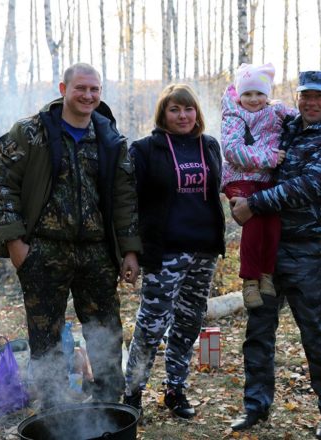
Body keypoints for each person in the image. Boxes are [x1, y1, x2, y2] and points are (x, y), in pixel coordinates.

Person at [0, 63, 141, 409]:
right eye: (80, 88)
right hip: (44, 250)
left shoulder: (109, 138)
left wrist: (130, 250)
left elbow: (125, 198)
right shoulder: (31, 132)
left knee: (106, 332)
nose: (88, 95)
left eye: (94, 89)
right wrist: (15, 243)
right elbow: (2, 185)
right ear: (63, 89)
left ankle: (109, 407)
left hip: (97, 252)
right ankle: (53, 409)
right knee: (45, 337)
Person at [229, 70, 321, 439]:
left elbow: (309, 186)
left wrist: (254, 204)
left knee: (315, 333)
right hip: (266, 247)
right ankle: (255, 405)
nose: (311, 103)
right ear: (297, 98)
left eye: (318, 96)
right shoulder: (285, 128)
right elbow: (250, 147)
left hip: (303, 249)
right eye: (305, 96)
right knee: (258, 329)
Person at [122, 84, 225, 419]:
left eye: (188, 109)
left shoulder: (209, 146)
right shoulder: (144, 150)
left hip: (203, 251)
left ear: (197, 113)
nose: (183, 116)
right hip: (164, 252)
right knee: (151, 325)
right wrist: (131, 251)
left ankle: (175, 389)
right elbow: (129, 204)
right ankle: (132, 393)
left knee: (188, 322)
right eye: (175, 110)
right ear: (163, 114)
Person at [221, 63, 297, 309]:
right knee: (253, 221)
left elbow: (303, 118)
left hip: (264, 179)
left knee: (272, 222)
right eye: (247, 93)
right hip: (239, 177)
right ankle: (250, 280)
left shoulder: (275, 110)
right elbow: (232, 150)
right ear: (239, 94)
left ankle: (266, 273)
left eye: (259, 93)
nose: (253, 99)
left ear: (267, 94)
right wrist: (269, 158)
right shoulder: (234, 115)